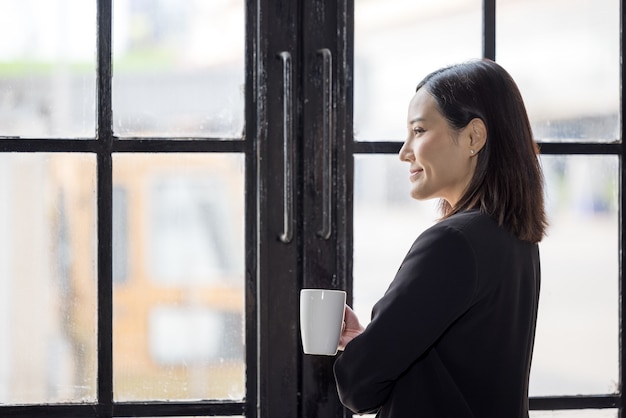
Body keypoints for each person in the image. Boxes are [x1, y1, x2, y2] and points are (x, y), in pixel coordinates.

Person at [333, 59, 548, 417]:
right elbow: (461, 367)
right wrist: (373, 343)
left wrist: (364, 353)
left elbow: (358, 386)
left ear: (473, 137)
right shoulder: (513, 237)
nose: (404, 152)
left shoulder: (452, 242)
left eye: (418, 131)